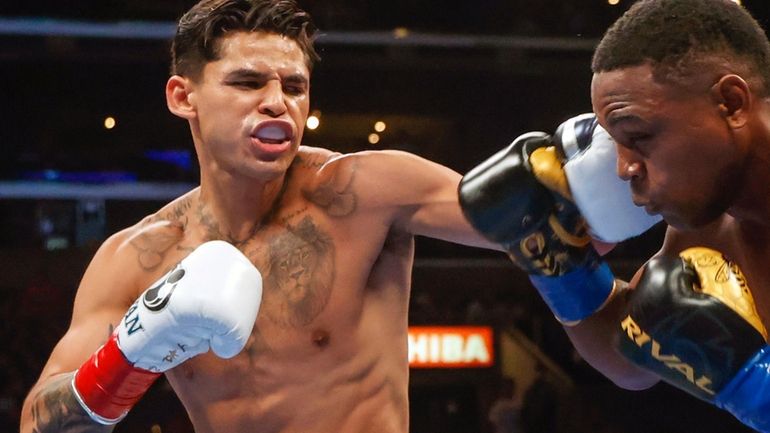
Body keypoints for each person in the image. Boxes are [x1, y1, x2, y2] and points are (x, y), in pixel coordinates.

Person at [18, 1, 505, 432]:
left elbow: (524, 218)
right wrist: (131, 354)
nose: (278, 102)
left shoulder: (366, 192)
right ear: (183, 97)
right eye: (248, 81)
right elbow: (38, 423)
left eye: (295, 86)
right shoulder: (139, 258)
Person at [459, 0, 770, 431]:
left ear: (732, 103)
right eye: (616, 144)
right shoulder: (710, 225)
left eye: (639, 136)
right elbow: (631, 360)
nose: (624, 168)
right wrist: (559, 266)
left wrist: (755, 390)